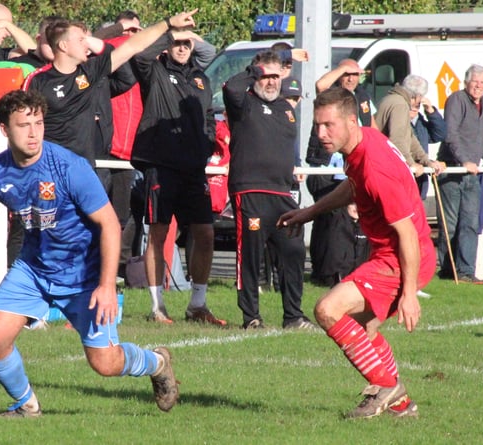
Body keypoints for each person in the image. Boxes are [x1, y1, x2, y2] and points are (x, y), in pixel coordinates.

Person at [0, 89, 179, 417]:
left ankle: (158, 362)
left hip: (84, 274)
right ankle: (27, 406)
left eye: (38, 122)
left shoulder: (69, 167)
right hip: (34, 269)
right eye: (24, 125)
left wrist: (107, 285)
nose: (34, 132)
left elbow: (110, 224)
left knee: (105, 364)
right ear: (4, 129)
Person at [277, 87, 436, 419]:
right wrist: (310, 212)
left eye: (328, 126)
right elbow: (353, 185)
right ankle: (403, 407)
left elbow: (406, 232)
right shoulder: (361, 143)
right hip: (392, 255)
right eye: (317, 126)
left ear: (351, 120)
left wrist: (409, 294)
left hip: (401, 259)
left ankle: (386, 387)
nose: (321, 134)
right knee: (362, 329)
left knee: (328, 309)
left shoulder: (376, 166)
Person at [129, 24, 224, 326]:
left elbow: (208, 116)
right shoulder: (155, 71)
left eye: (187, 43)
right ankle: (158, 307)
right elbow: (139, 56)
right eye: (177, 43)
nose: (183, 47)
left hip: (194, 169)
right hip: (162, 165)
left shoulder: (200, 78)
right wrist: (169, 32)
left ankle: (198, 304)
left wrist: (206, 143)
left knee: (205, 233)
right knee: (158, 234)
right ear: (167, 45)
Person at [23, 11, 199, 166]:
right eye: (80, 40)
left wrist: (167, 24)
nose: (87, 44)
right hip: (50, 167)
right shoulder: (38, 81)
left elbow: (132, 46)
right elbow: (22, 126)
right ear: (63, 46)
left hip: (84, 169)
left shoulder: (90, 71)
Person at [223, 51, 314, 330]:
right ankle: (251, 316)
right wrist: (256, 70)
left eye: (276, 76)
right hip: (249, 191)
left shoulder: (286, 109)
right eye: (266, 76)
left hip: (282, 194)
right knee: (250, 255)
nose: (271, 82)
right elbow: (230, 86)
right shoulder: (243, 102)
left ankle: (294, 316)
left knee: (293, 251)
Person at [305, 59, 378, 286]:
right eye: (347, 74)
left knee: (348, 220)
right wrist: (341, 69)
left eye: (355, 74)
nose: (350, 78)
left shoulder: (364, 97)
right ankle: (325, 269)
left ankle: (347, 267)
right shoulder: (333, 94)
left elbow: (372, 127)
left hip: (353, 166)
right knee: (327, 217)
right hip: (327, 168)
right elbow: (320, 85)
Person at [436, 64, 483, 284]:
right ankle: (448, 269)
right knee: (451, 223)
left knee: (470, 222)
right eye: (475, 81)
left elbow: (480, 137)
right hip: (454, 171)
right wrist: (463, 160)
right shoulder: (456, 99)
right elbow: (450, 134)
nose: (478, 86)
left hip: (474, 173)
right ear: (466, 82)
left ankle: (466, 271)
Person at [375, 74, 445, 178]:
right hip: (386, 169)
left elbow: (410, 137)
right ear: (417, 96)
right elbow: (397, 140)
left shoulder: (392, 99)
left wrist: (425, 160)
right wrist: (411, 164)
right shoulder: (400, 105)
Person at [405, 76, 447, 199]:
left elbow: (440, 134)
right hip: (404, 178)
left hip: (420, 179)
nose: (414, 107)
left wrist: (430, 110)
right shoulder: (397, 119)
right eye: (411, 101)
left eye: (417, 103)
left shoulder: (420, 122)